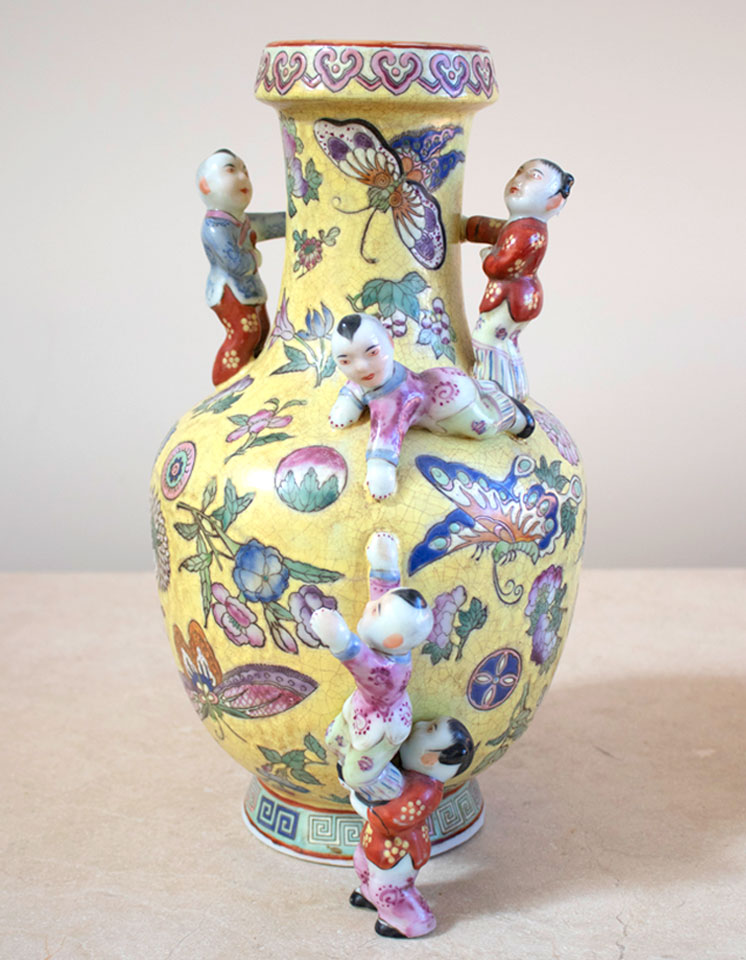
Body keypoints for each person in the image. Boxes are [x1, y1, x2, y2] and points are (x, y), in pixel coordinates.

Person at [328, 312, 534, 500]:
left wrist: (380, 470)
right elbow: (355, 388)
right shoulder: (371, 379)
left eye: (372, 353)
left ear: (390, 342)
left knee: (484, 426)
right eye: (346, 361)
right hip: (441, 381)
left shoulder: (397, 397)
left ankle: (514, 414)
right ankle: (487, 387)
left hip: (453, 407)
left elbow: (386, 434)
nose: (361, 367)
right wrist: (348, 401)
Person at [311, 533, 433, 803]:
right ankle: (348, 761)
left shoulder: (387, 672)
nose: (369, 606)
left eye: (376, 610)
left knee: (357, 775)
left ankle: (389, 789)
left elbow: (359, 660)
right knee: (334, 738)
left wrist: (338, 637)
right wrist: (384, 565)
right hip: (362, 709)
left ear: (394, 640)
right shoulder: (389, 639)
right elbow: (384, 596)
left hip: (381, 726)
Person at [349, 716, 476, 938]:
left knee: (389, 888)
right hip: (377, 843)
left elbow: (392, 820)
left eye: (430, 729)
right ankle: (369, 894)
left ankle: (412, 921)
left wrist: (358, 802)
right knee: (362, 864)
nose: (420, 725)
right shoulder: (411, 775)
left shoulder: (425, 792)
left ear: (430, 758)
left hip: (398, 853)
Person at [462, 158, 574, 400]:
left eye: (533, 176)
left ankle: (490, 390)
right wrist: (467, 227)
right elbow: (493, 229)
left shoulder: (526, 231)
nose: (519, 180)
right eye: (519, 172)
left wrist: (487, 256)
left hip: (509, 297)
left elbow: (500, 267)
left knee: (485, 339)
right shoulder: (523, 225)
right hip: (525, 295)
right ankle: (515, 389)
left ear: (554, 202)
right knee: (506, 341)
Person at [196, 149, 285, 386]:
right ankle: (226, 379)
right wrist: (255, 256)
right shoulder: (215, 228)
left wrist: (300, 217)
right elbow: (236, 263)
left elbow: (274, 224)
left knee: (262, 331)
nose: (242, 177)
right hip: (228, 291)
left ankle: (252, 374)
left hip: (249, 290)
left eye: (245, 171)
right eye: (231, 170)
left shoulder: (242, 220)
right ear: (206, 186)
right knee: (245, 333)